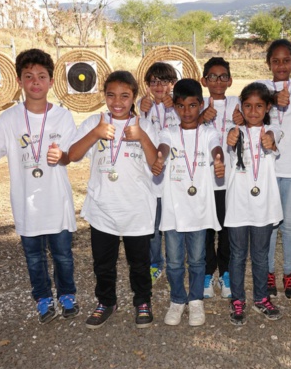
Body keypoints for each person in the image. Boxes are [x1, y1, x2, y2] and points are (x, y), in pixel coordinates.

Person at [0, 48, 78, 324]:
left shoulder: (63, 117)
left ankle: (68, 294)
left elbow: (73, 154)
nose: (35, 81)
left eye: (41, 76)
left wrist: (63, 156)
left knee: (63, 255)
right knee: (34, 257)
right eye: (29, 76)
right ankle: (43, 298)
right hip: (26, 204)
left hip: (57, 202)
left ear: (51, 81)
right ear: (20, 81)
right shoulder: (9, 119)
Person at [68, 71, 158, 330]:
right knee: (103, 263)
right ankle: (106, 302)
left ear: (133, 98)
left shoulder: (146, 125)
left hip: (136, 208)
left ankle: (142, 301)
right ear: (104, 96)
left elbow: (155, 166)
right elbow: (73, 155)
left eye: (124, 96)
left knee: (139, 263)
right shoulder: (93, 122)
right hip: (102, 208)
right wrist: (95, 133)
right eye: (111, 95)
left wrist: (141, 136)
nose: (117, 101)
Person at [152, 79, 225, 327]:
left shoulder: (209, 132)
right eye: (181, 106)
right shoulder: (169, 133)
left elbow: (217, 148)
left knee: (196, 260)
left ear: (201, 105)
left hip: (199, 211)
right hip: (174, 211)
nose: (187, 111)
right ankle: (177, 300)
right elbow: (162, 147)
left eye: (193, 105)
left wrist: (218, 160)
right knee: (173, 262)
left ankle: (195, 300)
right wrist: (159, 158)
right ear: (175, 108)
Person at [256, 39, 291, 300]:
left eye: (286, 60)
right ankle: (268, 272)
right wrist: (272, 99)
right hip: (267, 168)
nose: (281, 65)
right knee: (269, 224)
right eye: (275, 61)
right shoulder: (263, 88)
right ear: (268, 64)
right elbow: (256, 100)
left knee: (289, 224)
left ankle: (289, 273)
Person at [225, 82, 284, 325]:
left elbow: (273, 138)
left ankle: (261, 298)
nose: (253, 111)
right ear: (241, 106)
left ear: (268, 107)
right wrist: (230, 138)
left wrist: (270, 140)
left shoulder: (273, 130)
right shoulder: (233, 131)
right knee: (237, 255)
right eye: (247, 106)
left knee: (260, 255)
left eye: (259, 106)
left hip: (264, 206)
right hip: (239, 205)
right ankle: (237, 299)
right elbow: (227, 146)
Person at [198, 57, 240, 299]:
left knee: (227, 230)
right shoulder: (198, 103)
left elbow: (256, 122)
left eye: (223, 76)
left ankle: (225, 273)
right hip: (204, 181)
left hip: (230, 180)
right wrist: (201, 117)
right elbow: (185, 125)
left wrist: (241, 122)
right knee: (205, 229)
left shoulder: (237, 103)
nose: (218, 81)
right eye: (212, 77)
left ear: (230, 80)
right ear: (204, 81)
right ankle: (206, 272)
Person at [137, 62, 180, 284]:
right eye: (154, 81)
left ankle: (176, 262)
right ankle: (155, 263)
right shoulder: (142, 104)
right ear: (147, 84)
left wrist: (176, 108)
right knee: (152, 226)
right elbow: (139, 129)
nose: (159, 86)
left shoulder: (179, 104)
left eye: (164, 81)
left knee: (172, 224)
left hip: (174, 177)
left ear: (173, 84)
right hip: (151, 176)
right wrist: (143, 109)